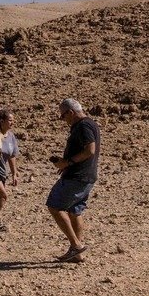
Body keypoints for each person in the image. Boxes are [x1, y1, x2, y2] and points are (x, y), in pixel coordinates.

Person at [47, 98, 101, 263]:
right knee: (75, 211)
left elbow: (90, 150)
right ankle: (77, 254)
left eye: (63, 116)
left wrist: (68, 162)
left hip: (77, 176)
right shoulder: (89, 124)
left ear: (70, 112)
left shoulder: (83, 126)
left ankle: (76, 245)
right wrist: (65, 163)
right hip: (85, 176)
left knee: (55, 206)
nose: (63, 119)